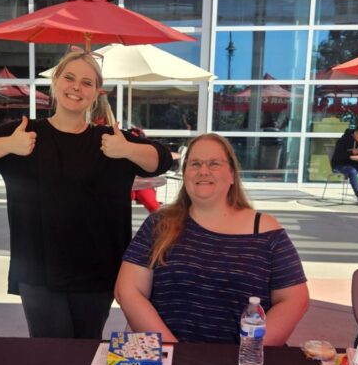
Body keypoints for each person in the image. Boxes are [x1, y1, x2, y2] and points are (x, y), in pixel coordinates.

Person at [0, 48, 172, 339]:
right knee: (51, 354)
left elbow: (162, 159)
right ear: (55, 82)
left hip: (99, 271)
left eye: (87, 82)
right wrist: (8, 146)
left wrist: (128, 150)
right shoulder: (25, 134)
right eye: (69, 78)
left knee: (86, 350)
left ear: (97, 93)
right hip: (38, 270)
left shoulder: (111, 141)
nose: (76, 87)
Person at [115, 133, 309, 344]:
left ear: (232, 175)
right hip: (170, 358)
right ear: (185, 174)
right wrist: (174, 351)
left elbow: (294, 300)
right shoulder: (159, 224)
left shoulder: (265, 230)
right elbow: (128, 290)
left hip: (241, 362)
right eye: (195, 164)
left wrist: (250, 351)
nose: (203, 171)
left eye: (214, 163)